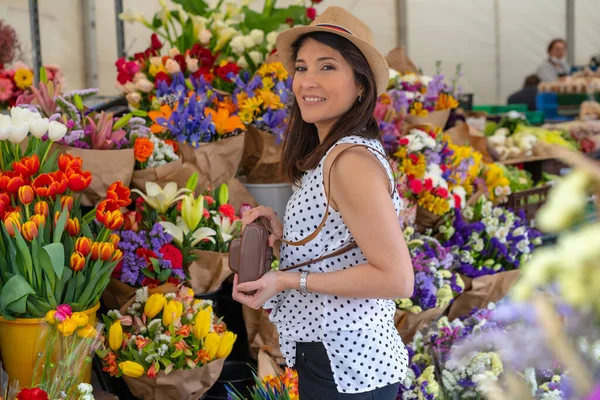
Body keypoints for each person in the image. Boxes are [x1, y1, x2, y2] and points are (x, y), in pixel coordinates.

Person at [232, 6, 414, 400]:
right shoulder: (334, 154)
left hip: (345, 362)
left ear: (361, 85)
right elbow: (344, 248)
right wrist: (284, 240)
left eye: (327, 67)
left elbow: (397, 278)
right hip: (339, 357)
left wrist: (285, 279)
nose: (307, 82)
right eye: (301, 68)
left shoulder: (349, 161)